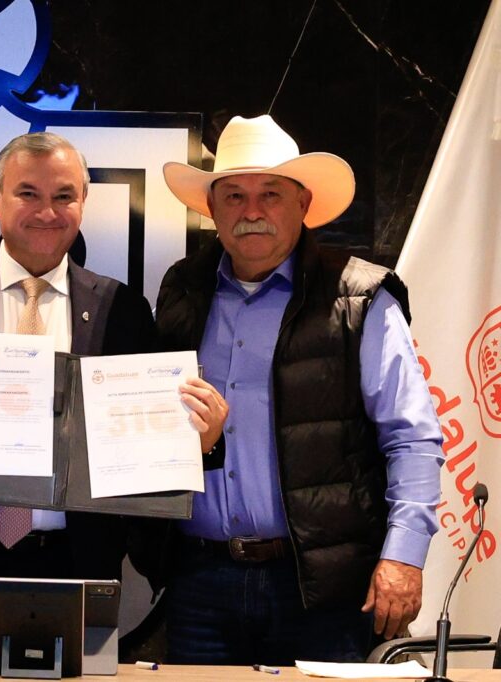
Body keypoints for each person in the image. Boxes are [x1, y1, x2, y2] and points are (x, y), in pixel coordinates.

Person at [0, 132, 226, 656]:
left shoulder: (122, 309)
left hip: (78, 566)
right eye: (28, 193)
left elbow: (145, 444)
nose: (47, 212)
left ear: (83, 202)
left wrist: (196, 442)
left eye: (64, 196)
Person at [129, 115, 444, 664]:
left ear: (303, 203)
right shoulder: (182, 289)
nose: (251, 210)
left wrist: (403, 556)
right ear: (212, 209)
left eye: (270, 193)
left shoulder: (359, 298)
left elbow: (411, 438)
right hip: (199, 581)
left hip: (322, 589)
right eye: (234, 195)